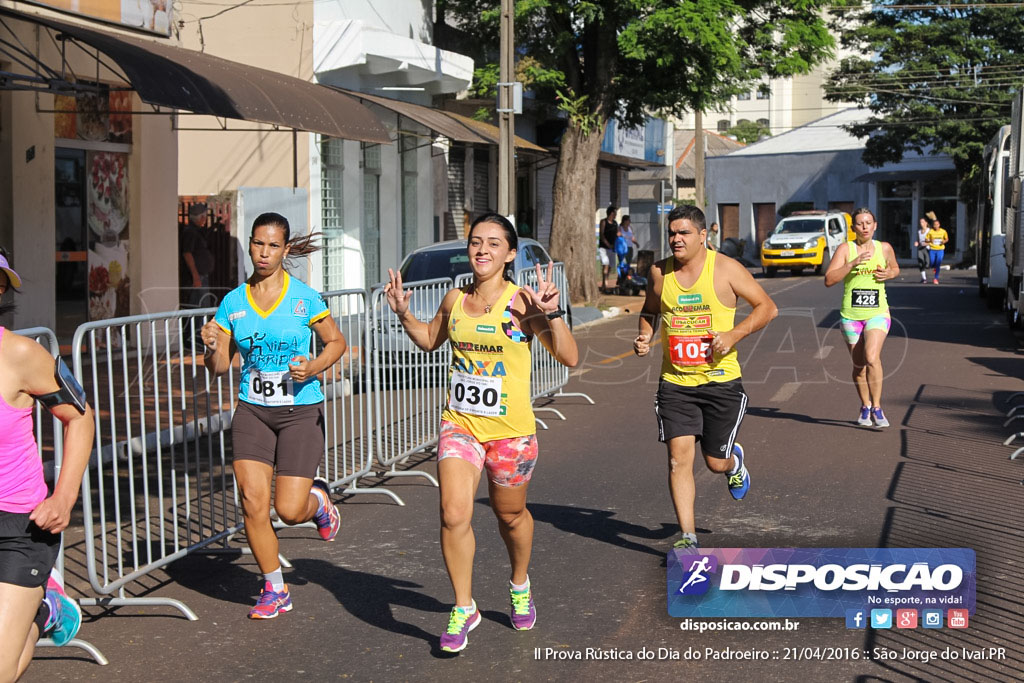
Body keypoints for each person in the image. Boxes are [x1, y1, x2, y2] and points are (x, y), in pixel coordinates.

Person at [384, 213, 578, 653]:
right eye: (475, 242)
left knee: (510, 516)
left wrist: (552, 313)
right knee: (454, 513)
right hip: (461, 424)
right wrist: (403, 313)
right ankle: (463, 605)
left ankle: (520, 582)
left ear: (510, 255)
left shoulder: (523, 302)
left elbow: (568, 356)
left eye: (493, 243)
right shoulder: (454, 299)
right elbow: (430, 338)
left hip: (511, 432)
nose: (482, 250)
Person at [200, 212, 346, 619]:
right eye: (257, 244)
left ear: (285, 250)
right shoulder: (233, 303)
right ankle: (274, 588)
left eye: (272, 246)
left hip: (300, 411)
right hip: (253, 412)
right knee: (252, 501)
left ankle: (318, 504)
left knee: (288, 510)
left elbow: (336, 342)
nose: (263, 253)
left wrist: (314, 367)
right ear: (249, 244)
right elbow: (219, 367)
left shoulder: (304, 298)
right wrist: (211, 344)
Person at [633, 205, 777, 550]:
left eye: (684, 233)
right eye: (672, 233)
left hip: (720, 382)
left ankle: (733, 462)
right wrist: (644, 336)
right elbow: (650, 310)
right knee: (677, 459)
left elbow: (767, 307)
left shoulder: (726, 269)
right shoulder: (659, 273)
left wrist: (733, 336)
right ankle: (688, 537)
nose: (676, 239)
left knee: (714, 463)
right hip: (676, 383)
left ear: (702, 236)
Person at [0, 251, 94, 681]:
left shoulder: (21, 354)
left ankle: (43, 609)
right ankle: (45, 607)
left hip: (20, 527)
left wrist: (65, 496)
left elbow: (80, 416)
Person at [824, 208, 899, 428]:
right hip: (851, 316)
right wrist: (851, 264)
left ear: (875, 225)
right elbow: (829, 279)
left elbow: (895, 268)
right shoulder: (846, 249)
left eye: (868, 223)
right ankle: (865, 405)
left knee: (871, 357)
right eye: (860, 223)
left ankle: (877, 407)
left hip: (877, 313)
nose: (864, 227)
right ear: (853, 228)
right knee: (859, 366)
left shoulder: (884, 248)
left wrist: (890, 273)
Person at [180, 202, 215, 309]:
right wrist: (196, 276)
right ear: (202, 217)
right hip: (197, 277)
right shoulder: (190, 232)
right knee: (200, 308)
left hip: (201, 276)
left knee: (202, 306)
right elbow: (187, 253)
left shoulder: (195, 231)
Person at [598, 206, 619, 290]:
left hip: (613, 248)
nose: (616, 215)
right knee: (605, 264)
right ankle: (604, 282)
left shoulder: (615, 223)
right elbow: (602, 235)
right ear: (611, 213)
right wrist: (607, 244)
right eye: (615, 213)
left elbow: (616, 233)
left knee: (611, 265)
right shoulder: (603, 222)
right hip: (604, 248)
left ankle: (606, 279)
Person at [925, 217, 949, 284]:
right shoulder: (931, 232)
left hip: (940, 249)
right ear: (933, 225)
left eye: (937, 224)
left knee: (938, 264)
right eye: (935, 224)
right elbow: (926, 239)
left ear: (939, 225)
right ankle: (934, 267)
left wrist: (943, 241)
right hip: (932, 249)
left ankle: (936, 278)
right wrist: (930, 240)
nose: (936, 226)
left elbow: (947, 239)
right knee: (932, 262)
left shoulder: (943, 231)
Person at [915, 217, 930, 283]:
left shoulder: (929, 231)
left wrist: (927, 243)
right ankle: (924, 278)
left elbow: (932, 240)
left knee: (927, 264)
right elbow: (918, 241)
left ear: (926, 223)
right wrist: (917, 243)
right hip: (921, 248)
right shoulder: (919, 232)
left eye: (923, 222)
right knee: (920, 262)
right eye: (920, 222)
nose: (921, 224)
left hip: (928, 248)